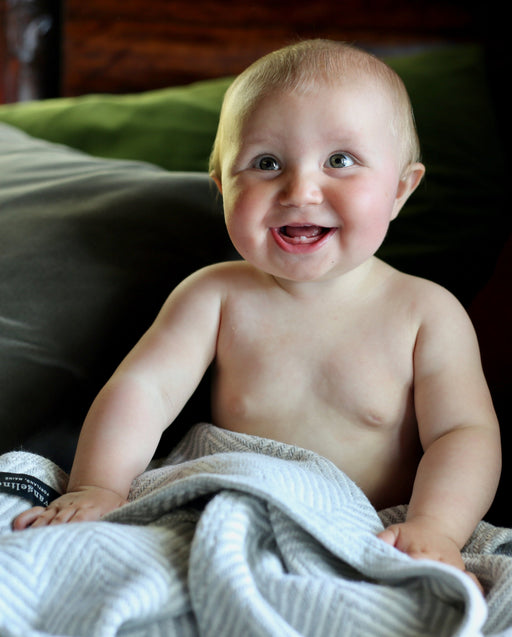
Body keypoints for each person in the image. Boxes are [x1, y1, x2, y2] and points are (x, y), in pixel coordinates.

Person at [13, 40, 501, 588]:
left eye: (340, 160)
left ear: (401, 190)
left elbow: (463, 433)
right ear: (223, 187)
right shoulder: (214, 295)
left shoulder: (426, 313)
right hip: (233, 508)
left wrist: (436, 527)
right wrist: (99, 487)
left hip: (375, 530)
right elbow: (142, 392)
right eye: (267, 163)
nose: (301, 190)